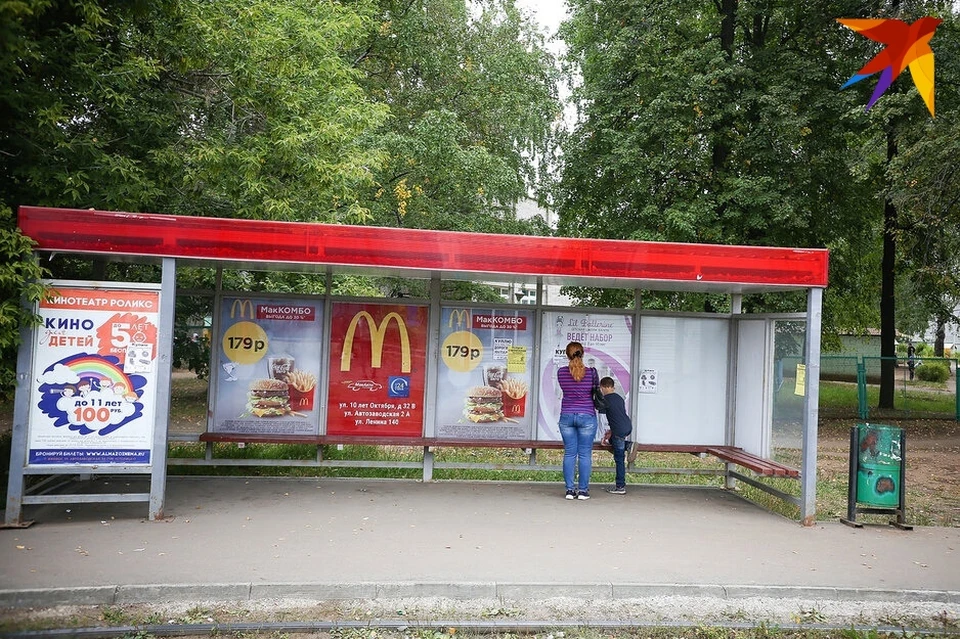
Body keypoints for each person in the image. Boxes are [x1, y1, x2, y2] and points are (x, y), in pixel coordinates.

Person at [557, 341, 599, 500]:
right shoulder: (592, 373)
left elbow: (565, 388)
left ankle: (569, 490)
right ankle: (582, 491)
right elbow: (594, 391)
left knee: (569, 454)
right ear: (582, 354)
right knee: (584, 454)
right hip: (587, 415)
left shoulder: (561, 372)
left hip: (566, 415)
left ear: (567, 355)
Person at [599, 376, 633, 495]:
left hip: (618, 431)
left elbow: (604, 420)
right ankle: (628, 445)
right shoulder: (619, 398)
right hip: (626, 426)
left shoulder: (604, 400)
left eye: (602, 388)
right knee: (614, 441)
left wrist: (604, 435)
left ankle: (620, 487)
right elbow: (617, 417)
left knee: (619, 459)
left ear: (603, 387)